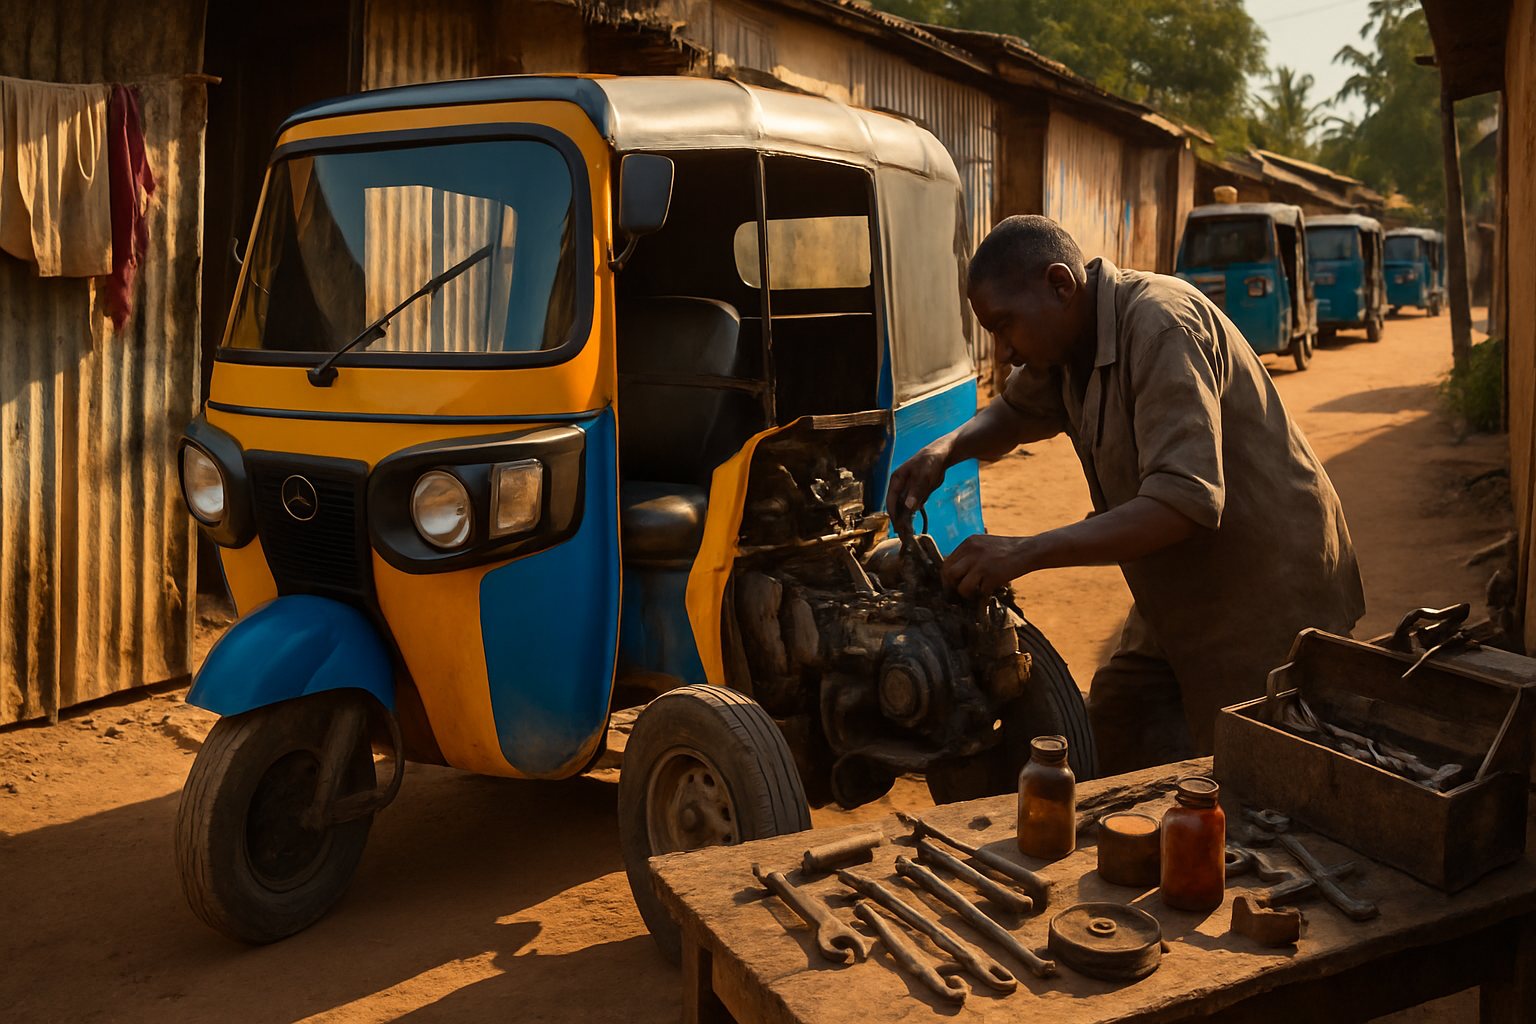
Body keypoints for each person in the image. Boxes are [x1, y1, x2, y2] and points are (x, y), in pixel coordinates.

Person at [889, 215, 1365, 774]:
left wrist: (1023, 551)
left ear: (1061, 285)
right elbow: (1015, 412)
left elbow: (1182, 503)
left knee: (1253, 782)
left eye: (1005, 325)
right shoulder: (1067, 343)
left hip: (1265, 596)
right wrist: (945, 450)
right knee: (1118, 719)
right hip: (1176, 595)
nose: (1004, 354)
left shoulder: (1161, 326)